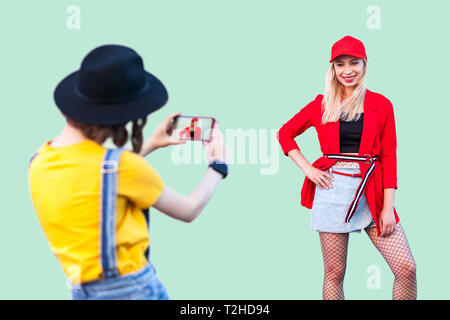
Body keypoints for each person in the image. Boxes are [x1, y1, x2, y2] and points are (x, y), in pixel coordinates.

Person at [28, 44, 229, 300]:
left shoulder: (39, 161)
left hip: (81, 291)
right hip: (134, 290)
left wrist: (152, 143)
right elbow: (189, 210)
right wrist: (217, 165)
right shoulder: (125, 167)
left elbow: (99, 179)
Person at [277, 36, 416, 300]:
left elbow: (389, 156)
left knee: (406, 268)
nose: (347, 70)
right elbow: (285, 134)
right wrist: (308, 169)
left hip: (372, 191)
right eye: (340, 64)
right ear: (333, 69)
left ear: (364, 65)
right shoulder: (321, 104)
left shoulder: (382, 104)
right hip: (332, 190)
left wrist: (388, 207)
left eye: (354, 63)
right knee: (334, 272)